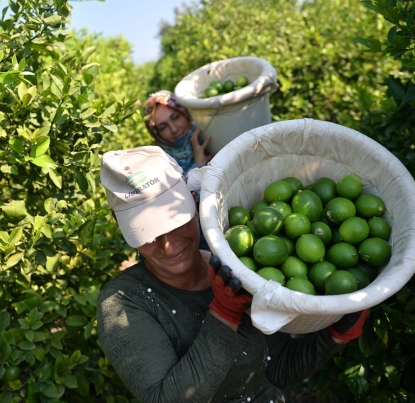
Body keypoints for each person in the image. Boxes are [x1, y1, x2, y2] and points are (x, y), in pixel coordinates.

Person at [97, 146, 369, 403]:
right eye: (148, 234)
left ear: (193, 202)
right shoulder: (124, 303)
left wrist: (336, 334)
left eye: (175, 222)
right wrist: (223, 314)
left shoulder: (238, 267)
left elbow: (277, 370)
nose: (168, 245)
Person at [144, 90, 212, 175]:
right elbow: (177, 188)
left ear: (185, 113)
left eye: (175, 117)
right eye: (163, 127)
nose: (174, 129)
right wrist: (197, 165)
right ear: (156, 134)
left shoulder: (208, 129)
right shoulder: (160, 162)